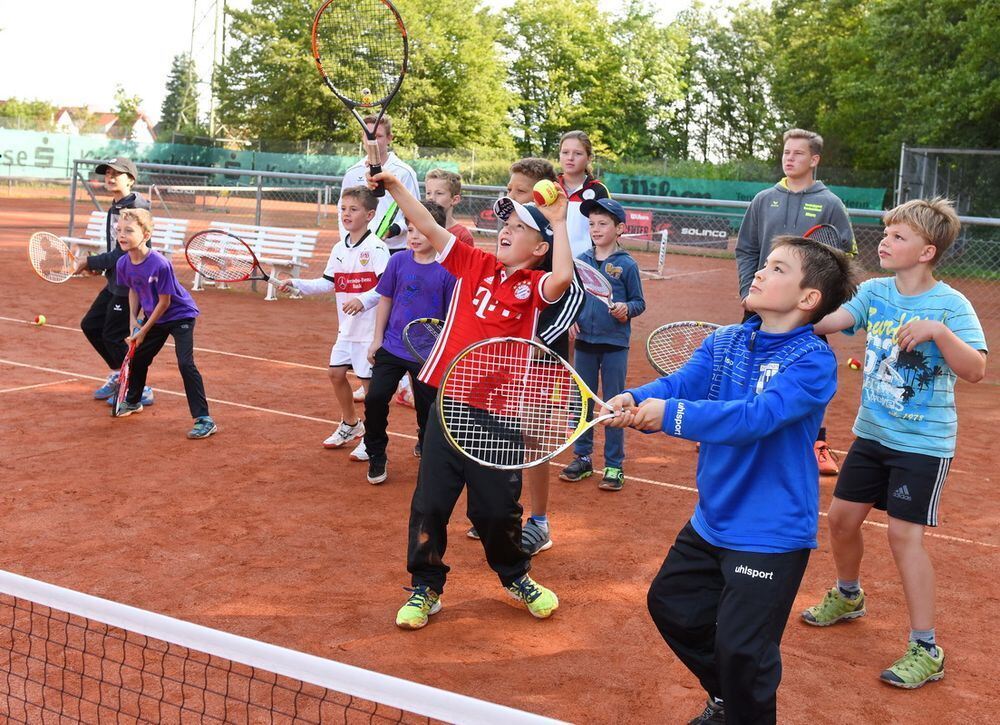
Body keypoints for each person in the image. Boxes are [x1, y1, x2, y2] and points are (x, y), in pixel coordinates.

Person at [603, 236, 857, 723]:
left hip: (771, 533)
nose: (760, 272)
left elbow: (755, 418)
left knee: (745, 650)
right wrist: (633, 397)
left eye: (777, 268)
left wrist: (671, 415)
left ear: (808, 299)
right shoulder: (725, 340)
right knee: (671, 604)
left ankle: (741, 703)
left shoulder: (813, 361)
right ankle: (728, 697)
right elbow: (678, 385)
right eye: (764, 264)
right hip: (712, 519)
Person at [368, 170, 573, 630]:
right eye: (506, 223)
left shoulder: (531, 289)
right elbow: (426, 219)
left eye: (520, 228)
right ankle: (425, 587)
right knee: (431, 503)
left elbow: (561, 276)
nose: (507, 229)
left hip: (498, 412)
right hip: (449, 402)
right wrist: (397, 187)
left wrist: (558, 220)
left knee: (495, 510)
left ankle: (516, 576)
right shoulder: (471, 263)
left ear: (538, 249)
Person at [801, 198, 986, 690]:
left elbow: (975, 370)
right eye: (886, 233)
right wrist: (790, 317)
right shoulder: (876, 292)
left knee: (904, 537)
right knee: (840, 520)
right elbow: (831, 322)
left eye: (897, 237)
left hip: (923, 444)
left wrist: (939, 332)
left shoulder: (951, 306)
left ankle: (926, 647)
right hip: (873, 434)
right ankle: (849, 595)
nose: (884, 242)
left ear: (927, 251)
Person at [466, 157, 587, 555]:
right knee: (493, 434)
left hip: (541, 366)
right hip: (503, 365)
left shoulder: (559, 262)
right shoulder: (513, 252)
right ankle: (500, 509)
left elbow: (564, 313)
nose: (510, 195)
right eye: (509, 188)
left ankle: (539, 521)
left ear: (545, 194)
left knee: (533, 439)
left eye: (520, 191)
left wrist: (522, 349)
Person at [735, 128, 855, 476]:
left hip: (805, 311)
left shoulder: (830, 204)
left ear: (814, 160)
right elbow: (745, 249)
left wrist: (820, 305)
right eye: (786, 152)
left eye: (798, 154)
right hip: (760, 306)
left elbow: (843, 257)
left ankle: (816, 442)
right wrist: (748, 290)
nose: (789, 158)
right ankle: (737, 425)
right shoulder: (763, 199)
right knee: (748, 365)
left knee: (807, 371)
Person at [282, 187, 389, 460]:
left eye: (353, 209)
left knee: (369, 389)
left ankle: (373, 438)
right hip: (347, 329)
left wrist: (363, 300)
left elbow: (386, 288)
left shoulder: (377, 247)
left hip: (368, 331)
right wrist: (296, 284)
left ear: (370, 215)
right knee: (335, 374)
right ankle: (351, 425)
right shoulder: (339, 248)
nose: (346, 214)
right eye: (343, 209)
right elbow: (326, 283)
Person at [362, 200, 456, 485]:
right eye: (410, 230)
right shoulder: (397, 261)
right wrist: (377, 340)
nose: (414, 237)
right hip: (392, 346)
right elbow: (386, 299)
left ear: (436, 231)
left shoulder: (448, 271)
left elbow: (451, 316)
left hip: (427, 354)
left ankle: (426, 447)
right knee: (376, 398)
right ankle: (376, 453)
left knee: (428, 412)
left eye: (421, 231)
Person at [559, 198, 645, 491]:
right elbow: (574, 296)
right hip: (584, 343)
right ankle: (582, 457)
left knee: (613, 405)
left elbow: (639, 302)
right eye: (592, 223)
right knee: (580, 402)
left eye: (603, 223)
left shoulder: (627, 264)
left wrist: (626, 308)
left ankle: (613, 465)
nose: (596, 228)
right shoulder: (581, 260)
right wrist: (571, 318)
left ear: (619, 228)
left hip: (614, 345)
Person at [113, 209, 216, 439]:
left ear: (146, 234)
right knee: (139, 357)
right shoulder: (123, 263)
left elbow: (165, 303)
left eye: (129, 230)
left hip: (179, 315)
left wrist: (143, 330)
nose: (121, 235)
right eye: (118, 230)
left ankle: (204, 419)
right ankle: (133, 401)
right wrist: (133, 321)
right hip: (154, 316)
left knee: (185, 363)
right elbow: (134, 289)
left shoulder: (160, 264)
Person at [340, 115, 420, 404]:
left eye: (379, 137)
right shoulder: (351, 172)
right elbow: (344, 212)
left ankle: (407, 383)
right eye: (368, 137)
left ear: (389, 139)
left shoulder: (403, 171)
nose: (373, 142)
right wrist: (349, 248)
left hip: (394, 253)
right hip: (362, 255)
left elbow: (413, 210)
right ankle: (367, 374)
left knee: (395, 317)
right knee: (365, 317)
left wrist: (395, 230)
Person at [76, 157, 154, 408]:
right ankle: (120, 374)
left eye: (116, 174)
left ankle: (139, 387)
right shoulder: (115, 206)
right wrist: (102, 270)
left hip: (133, 283)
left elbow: (125, 251)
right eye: (107, 173)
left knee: (112, 335)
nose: (109, 178)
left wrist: (90, 262)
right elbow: (115, 248)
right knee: (91, 325)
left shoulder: (136, 208)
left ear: (130, 179)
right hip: (116, 280)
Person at [556, 130, 611, 257]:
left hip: (585, 265)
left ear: (589, 158)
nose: (570, 158)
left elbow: (606, 232)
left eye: (578, 153)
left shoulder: (598, 190)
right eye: (565, 152)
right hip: (550, 265)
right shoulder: (548, 188)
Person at [424, 168, 474, 247]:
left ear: (454, 200)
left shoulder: (463, 236)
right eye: (428, 193)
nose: (431, 198)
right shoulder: (421, 227)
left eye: (439, 193)